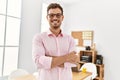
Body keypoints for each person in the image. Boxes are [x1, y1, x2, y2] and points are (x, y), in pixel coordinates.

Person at [32, 3, 79, 80]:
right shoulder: (39, 38)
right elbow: (38, 62)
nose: (55, 18)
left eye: (58, 15)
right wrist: (67, 57)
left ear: (62, 17)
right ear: (47, 17)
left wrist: (48, 59)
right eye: (51, 15)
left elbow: (75, 61)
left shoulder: (70, 39)